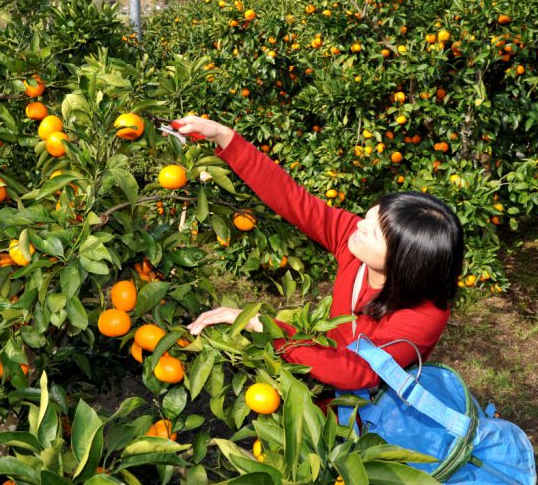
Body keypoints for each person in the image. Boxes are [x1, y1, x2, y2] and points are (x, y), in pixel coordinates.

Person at [178, 115, 464, 391]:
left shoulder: (425, 313)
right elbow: (293, 200)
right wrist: (224, 136)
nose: (359, 225)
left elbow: (359, 372)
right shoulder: (354, 240)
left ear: (406, 260)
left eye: (373, 231)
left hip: (376, 415)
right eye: (369, 216)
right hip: (322, 376)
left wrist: (262, 325)